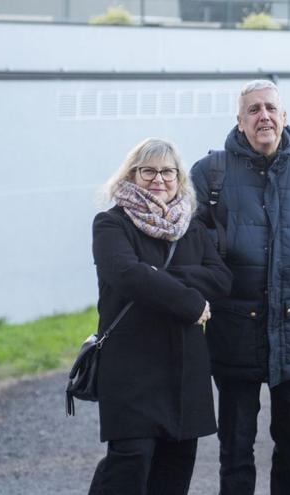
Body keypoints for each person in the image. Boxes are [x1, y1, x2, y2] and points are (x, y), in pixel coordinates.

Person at [189, 80, 290, 495]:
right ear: (240, 122)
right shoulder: (209, 173)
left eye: (271, 108)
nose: (264, 117)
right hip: (234, 332)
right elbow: (190, 243)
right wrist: (222, 244)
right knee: (235, 450)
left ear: (285, 117)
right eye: (254, 110)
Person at [88, 137, 232, 495]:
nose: (158, 179)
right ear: (131, 175)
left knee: (174, 472)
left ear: (179, 178)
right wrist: (191, 303)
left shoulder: (192, 227)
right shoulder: (111, 224)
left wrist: (156, 274)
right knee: (128, 467)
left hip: (185, 370)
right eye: (147, 171)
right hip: (132, 369)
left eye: (168, 171)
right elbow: (125, 274)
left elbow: (220, 279)